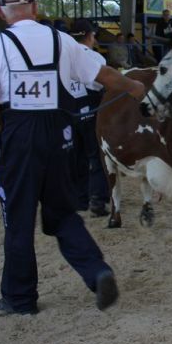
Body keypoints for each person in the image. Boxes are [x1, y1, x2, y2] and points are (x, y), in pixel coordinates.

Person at [0, 0, 145, 315]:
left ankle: (19, 299)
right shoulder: (61, 40)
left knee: (18, 221)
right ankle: (97, 271)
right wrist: (134, 85)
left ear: (2, 12)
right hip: (60, 135)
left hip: (20, 139)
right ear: (34, 7)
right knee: (62, 214)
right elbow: (103, 73)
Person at [68, 19, 111, 217]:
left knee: (75, 155)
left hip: (68, 112)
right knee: (96, 155)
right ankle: (97, 199)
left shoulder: (62, 56)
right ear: (89, 36)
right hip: (91, 110)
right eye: (93, 35)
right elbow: (101, 84)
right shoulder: (95, 58)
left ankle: (78, 198)